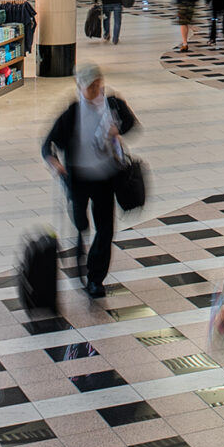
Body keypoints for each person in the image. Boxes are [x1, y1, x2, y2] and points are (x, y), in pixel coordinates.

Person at [42, 64, 138, 299]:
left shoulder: (113, 104)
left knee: (105, 229)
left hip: (106, 178)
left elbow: (132, 123)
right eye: (90, 86)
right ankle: (79, 246)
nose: (96, 89)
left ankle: (95, 279)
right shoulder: (72, 113)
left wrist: (118, 129)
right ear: (80, 87)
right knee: (81, 223)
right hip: (78, 179)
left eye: (98, 84)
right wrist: (56, 164)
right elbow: (48, 144)